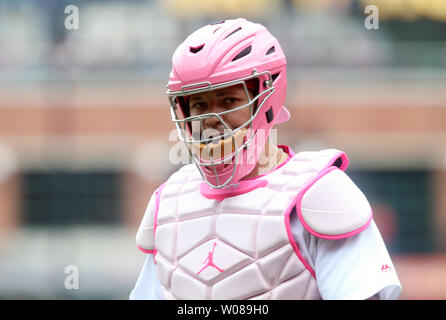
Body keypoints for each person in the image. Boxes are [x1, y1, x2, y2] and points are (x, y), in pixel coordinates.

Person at [130, 18, 402, 300]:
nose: (210, 118)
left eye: (228, 101)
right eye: (199, 104)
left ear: (266, 99)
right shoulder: (170, 201)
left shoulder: (320, 192)